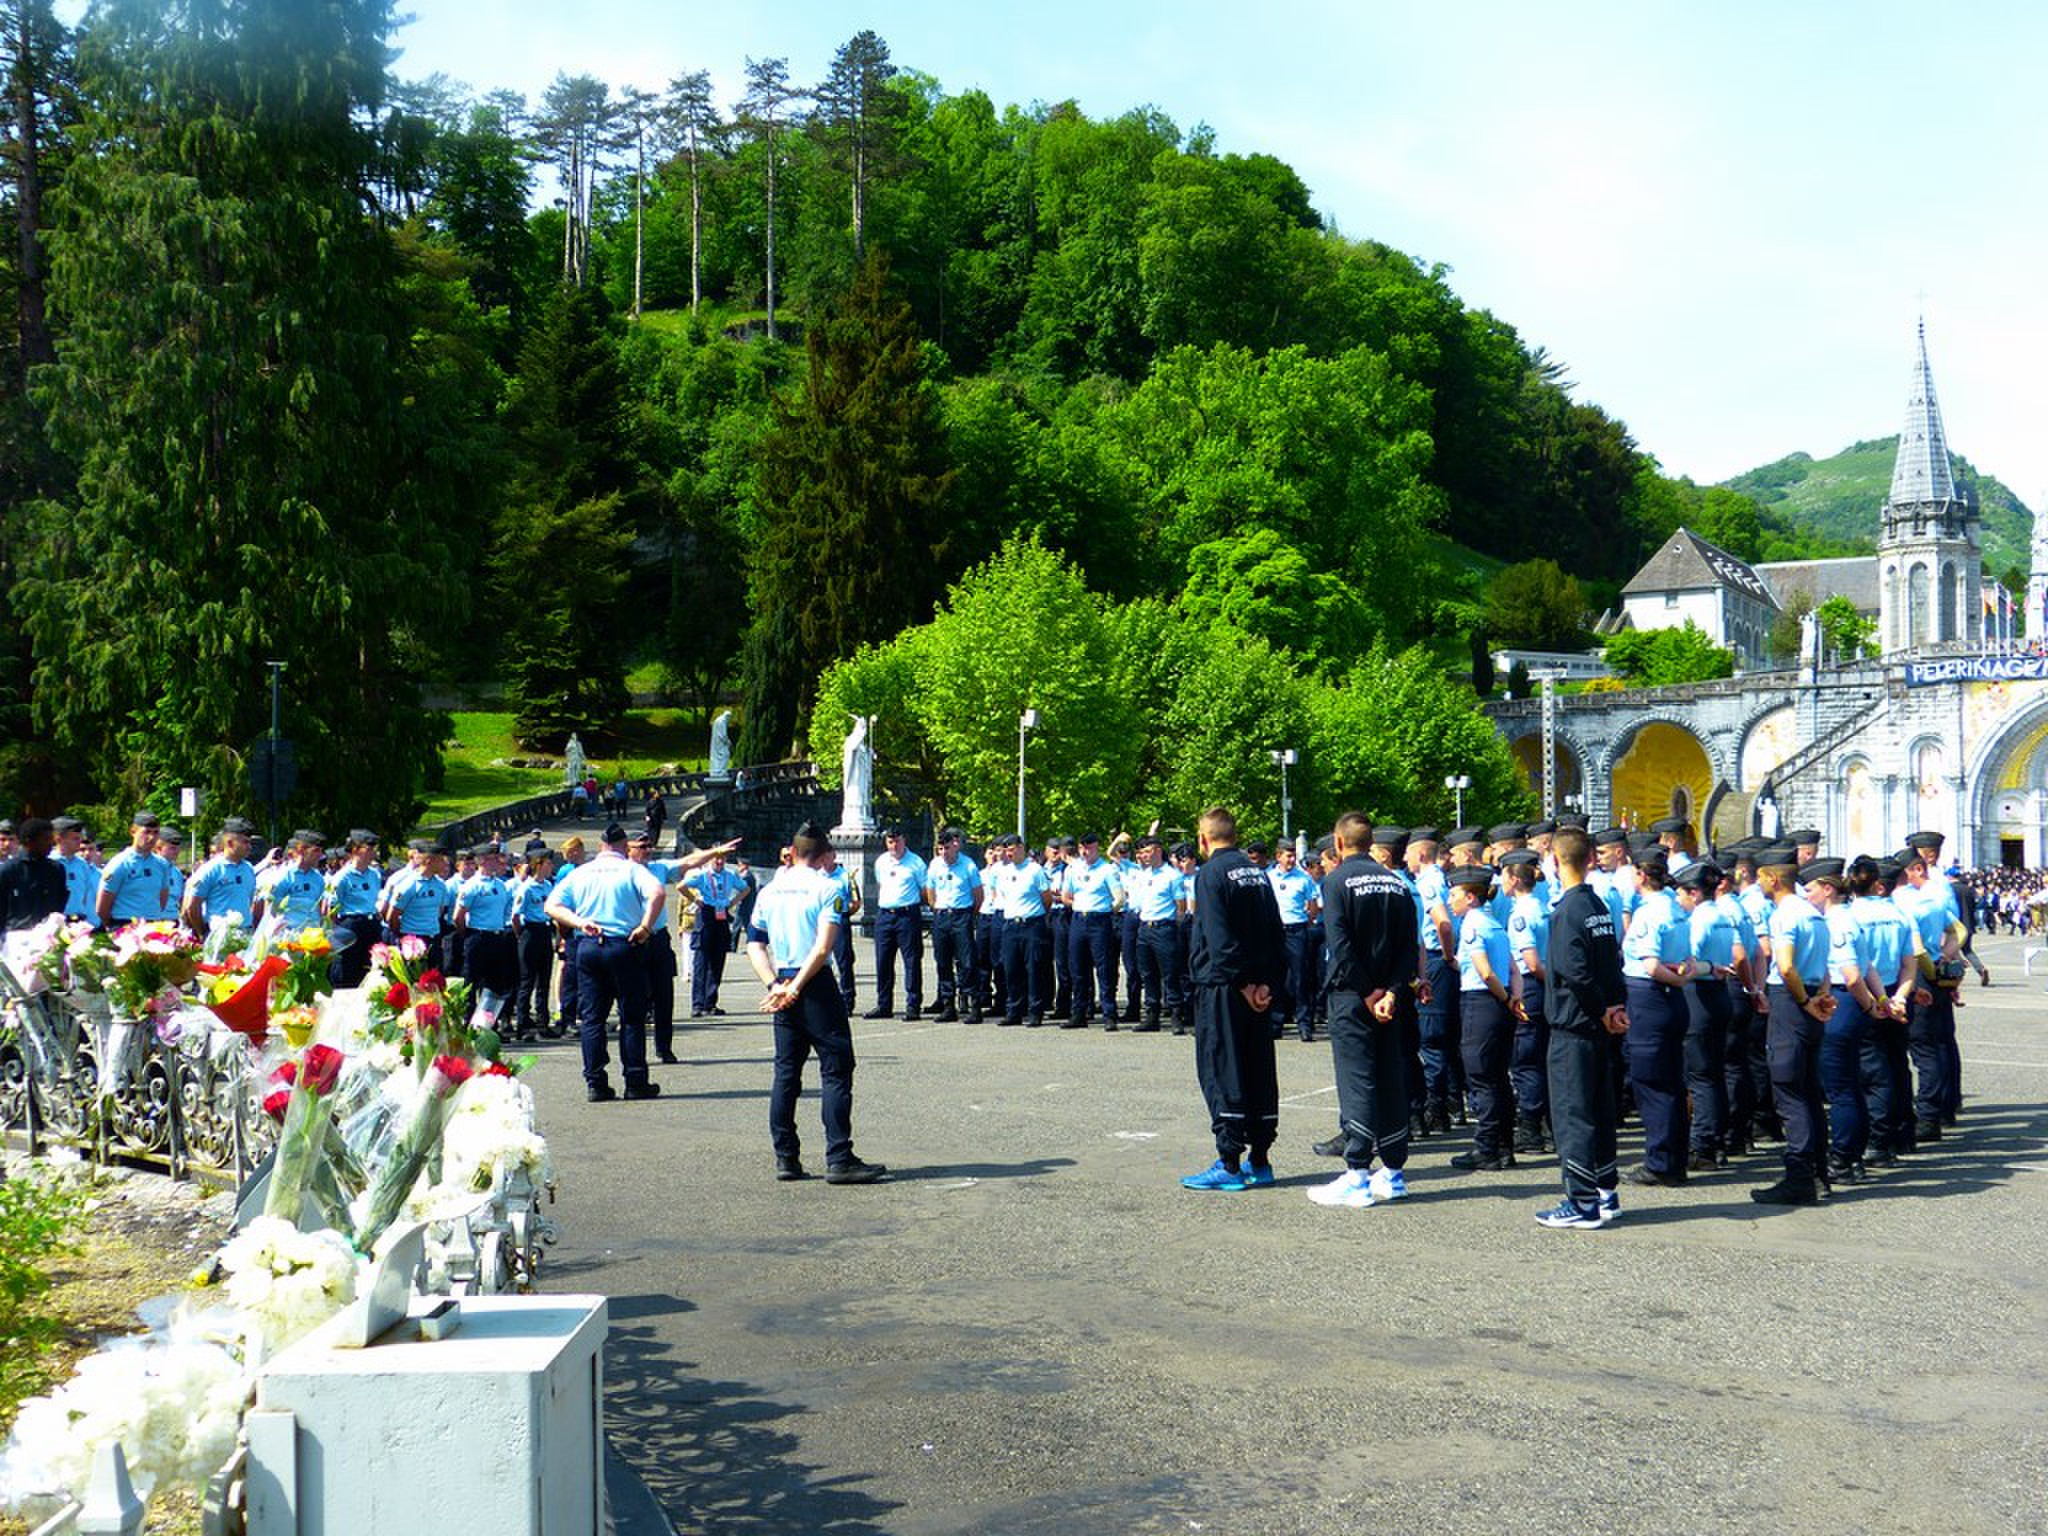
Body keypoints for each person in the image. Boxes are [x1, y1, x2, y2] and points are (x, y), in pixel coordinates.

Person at [745, 823, 886, 1184]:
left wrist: (775, 984)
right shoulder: (829, 887)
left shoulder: (769, 890)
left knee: (786, 1072)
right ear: (824, 855)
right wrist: (796, 987)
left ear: (791, 853)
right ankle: (839, 1157)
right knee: (837, 1067)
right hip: (814, 982)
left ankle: (786, 1157)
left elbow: (755, 944)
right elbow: (823, 948)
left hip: (784, 977)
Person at [1307, 813, 1420, 1209]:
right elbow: (1411, 946)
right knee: (1389, 1076)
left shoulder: (1335, 881)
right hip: (1389, 998)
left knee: (1357, 1078)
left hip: (1354, 996)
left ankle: (1357, 1173)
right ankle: (1393, 1170)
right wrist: (1390, 990)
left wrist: (1369, 991)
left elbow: (1340, 944)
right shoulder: (1397, 882)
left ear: (1339, 843)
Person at [1180, 807, 1286, 1192]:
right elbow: (1277, 932)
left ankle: (1229, 1163)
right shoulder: (1257, 872)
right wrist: (1267, 985)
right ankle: (1260, 1158)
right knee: (1257, 1068)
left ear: (1204, 839)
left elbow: (1219, 938)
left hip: (1225, 988)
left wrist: (1243, 983)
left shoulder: (1209, 874)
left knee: (1222, 1068)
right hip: (1257, 989)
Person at [1536, 826, 1628, 1230]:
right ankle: (1605, 1191)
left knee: (1574, 1114)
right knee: (1600, 1110)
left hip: (1574, 1025)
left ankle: (1582, 1201)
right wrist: (1613, 1006)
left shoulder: (1566, 911)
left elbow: (1575, 972)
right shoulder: (1598, 906)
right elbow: (1611, 963)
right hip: (1598, 1025)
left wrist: (1601, 1009)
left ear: (1556, 862)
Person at [545, 822, 668, 1103]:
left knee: (592, 1018)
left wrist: (580, 921)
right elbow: (658, 893)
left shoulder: (582, 872)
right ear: (624, 847)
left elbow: (552, 905)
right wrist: (646, 926)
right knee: (632, 1016)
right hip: (624, 943)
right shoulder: (632, 869)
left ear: (600, 847)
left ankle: (596, 1082)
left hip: (589, 944)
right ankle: (635, 1080)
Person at [1755, 847, 1833, 1205]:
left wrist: (1803, 1001)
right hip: (1813, 994)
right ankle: (1819, 1172)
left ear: (1773, 878)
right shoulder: (1813, 913)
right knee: (1808, 1089)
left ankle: (1799, 1174)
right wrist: (1821, 997)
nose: (1757, 881)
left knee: (1789, 1090)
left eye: (1760, 876)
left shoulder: (1786, 913)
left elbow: (1785, 967)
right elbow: (1825, 965)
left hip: (1793, 1001)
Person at [1447, 864, 1519, 1173]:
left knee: (1481, 1077)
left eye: (1455, 895)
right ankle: (1504, 1146)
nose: (1450, 901)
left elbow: (1485, 970)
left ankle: (1487, 1147)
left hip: (1481, 1002)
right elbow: (1514, 969)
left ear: (1471, 898)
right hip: (1499, 1003)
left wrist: (1503, 997)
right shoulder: (1493, 923)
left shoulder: (1472, 925)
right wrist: (1513, 999)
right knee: (1499, 1076)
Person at [1062, 832, 1122, 1030]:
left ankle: (1109, 1014)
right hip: (1079, 918)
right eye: (1082, 848)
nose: (1085, 852)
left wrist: (1104, 911)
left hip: (1100, 920)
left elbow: (1119, 898)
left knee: (1104, 969)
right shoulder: (1073, 869)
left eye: (1090, 848)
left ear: (1097, 848)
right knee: (1077, 968)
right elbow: (1066, 896)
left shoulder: (1107, 870)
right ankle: (1079, 1013)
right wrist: (1080, 905)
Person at [867, 826, 928, 1020]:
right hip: (885, 915)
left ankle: (913, 1005)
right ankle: (884, 1004)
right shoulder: (881, 862)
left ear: (904, 840)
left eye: (897, 841)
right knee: (883, 961)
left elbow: (924, 890)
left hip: (907, 915)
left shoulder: (916, 863)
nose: (894, 845)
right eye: (890, 842)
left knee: (911, 961)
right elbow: (881, 885)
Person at [454, 844, 519, 1025]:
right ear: (482, 860)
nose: (497, 862)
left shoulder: (500, 885)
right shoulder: (472, 886)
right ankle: (467, 1021)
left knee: (496, 982)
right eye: (492, 858)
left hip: (497, 936)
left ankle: (488, 1022)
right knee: (471, 981)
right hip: (478, 935)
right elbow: (458, 916)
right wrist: (467, 935)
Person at [1124, 836, 1183, 1032]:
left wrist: (1173, 928)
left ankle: (1176, 1014)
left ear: (1158, 851)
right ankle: (1152, 1014)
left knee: (1169, 973)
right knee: (1147, 973)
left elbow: (1180, 907)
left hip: (1164, 927)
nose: (1144, 856)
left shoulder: (1172, 875)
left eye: (1148, 851)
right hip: (1144, 928)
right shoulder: (1143, 875)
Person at [923, 828, 982, 1023]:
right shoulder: (935, 865)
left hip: (961, 916)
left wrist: (968, 915)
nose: (943, 853)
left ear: (955, 846)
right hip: (941, 916)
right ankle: (948, 1005)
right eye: (940, 848)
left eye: (947, 848)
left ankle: (973, 1004)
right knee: (943, 962)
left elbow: (978, 895)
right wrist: (937, 909)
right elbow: (930, 893)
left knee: (967, 962)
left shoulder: (968, 866)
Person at [681, 849, 747, 1017]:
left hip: (722, 914)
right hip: (706, 915)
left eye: (722, 859)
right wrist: (695, 899)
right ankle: (697, 1004)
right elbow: (681, 886)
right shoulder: (703, 875)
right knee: (701, 962)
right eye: (716, 858)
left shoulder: (729, 875)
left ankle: (710, 1002)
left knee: (717, 962)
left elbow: (745, 889)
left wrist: (732, 903)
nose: (719, 862)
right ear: (710, 859)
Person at [1268, 841, 1322, 1042]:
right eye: (1287, 856)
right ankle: (1276, 1023)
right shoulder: (1269, 877)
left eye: (1293, 856)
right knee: (1276, 979)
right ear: (1278, 856)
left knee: (1301, 979)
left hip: (1296, 931)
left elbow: (1313, 905)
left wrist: (1306, 923)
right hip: (1275, 932)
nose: (1291, 860)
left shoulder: (1303, 879)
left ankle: (1304, 1025)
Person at [511, 842, 558, 1039]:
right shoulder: (526, 888)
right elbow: (515, 915)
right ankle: (522, 1023)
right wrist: (520, 934)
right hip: (530, 931)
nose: (551, 867)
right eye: (548, 863)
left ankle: (542, 1021)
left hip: (545, 931)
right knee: (527, 980)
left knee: (544, 979)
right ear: (538, 864)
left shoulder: (548, 885)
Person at [182, 818, 260, 936]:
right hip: (219, 934)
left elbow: (249, 902)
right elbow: (192, 906)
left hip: (245, 932)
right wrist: (202, 933)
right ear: (230, 843)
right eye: (245, 842)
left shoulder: (248, 869)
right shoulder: (212, 869)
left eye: (249, 842)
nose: (249, 847)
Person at [96, 811, 176, 927]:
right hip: (125, 924)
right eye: (146, 832)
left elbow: (162, 899)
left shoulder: (161, 864)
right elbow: (102, 906)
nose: (151, 837)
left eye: (156, 833)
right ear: (133, 831)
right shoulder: (120, 863)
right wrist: (114, 927)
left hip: (152, 923)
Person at [327, 831, 384, 987]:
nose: (374, 852)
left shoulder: (375, 875)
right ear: (356, 849)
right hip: (350, 924)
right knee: (347, 968)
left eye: (374, 848)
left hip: (370, 923)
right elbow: (331, 909)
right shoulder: (342, 877)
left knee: (372, 969)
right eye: (369, 848)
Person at [0, 818, 66, 931]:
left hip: (48, 936)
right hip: (16, 937)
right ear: (29, 841)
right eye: (46, 839)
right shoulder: (10, 870)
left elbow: (59, 904)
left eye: (51, 839)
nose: (51, 843)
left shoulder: (56, 870)